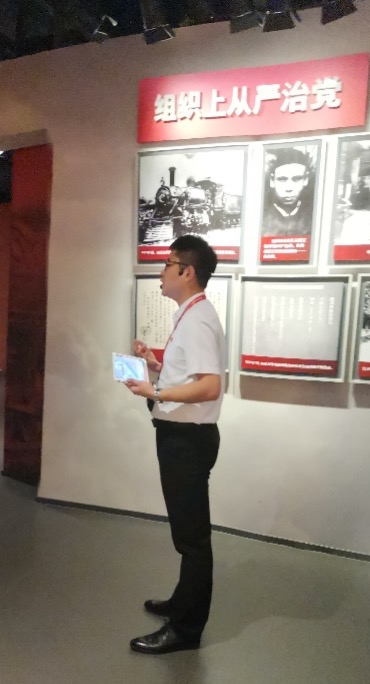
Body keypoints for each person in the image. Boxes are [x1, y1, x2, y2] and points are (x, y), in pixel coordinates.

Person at [123, 234, 225, 655]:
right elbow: (189, 375)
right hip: (182, 437)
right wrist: (156, 365)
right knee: (187, 534)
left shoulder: (198, 319)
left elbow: (209, 386)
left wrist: (156, 391)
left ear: (187, 271)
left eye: (167, 264)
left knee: (192, 540)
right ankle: (183, 604)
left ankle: (186, 629)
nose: (161, 272)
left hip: (187, 440)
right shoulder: (192, 314)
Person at [261, 147, 315, 237]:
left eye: (297, 179)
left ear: (306, 179)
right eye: (282, 179)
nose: (289, 188)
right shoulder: (259, 217)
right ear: (272, 180)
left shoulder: (314, 217)